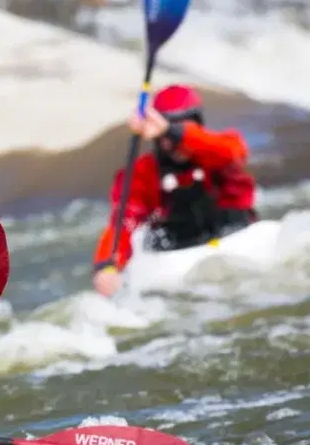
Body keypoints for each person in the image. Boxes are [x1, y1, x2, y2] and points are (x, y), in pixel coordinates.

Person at [91, 84, 258, 297]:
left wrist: (171, 131)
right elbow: (123, 223)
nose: (176, 147)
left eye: (180, 130)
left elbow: (233, 153)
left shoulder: (220, 150)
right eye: (166, 139)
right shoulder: (141, 173)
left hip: (237, 243)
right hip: (179, 259)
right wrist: (106, 265)